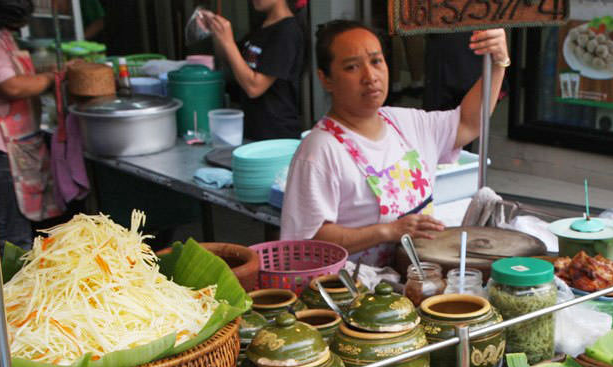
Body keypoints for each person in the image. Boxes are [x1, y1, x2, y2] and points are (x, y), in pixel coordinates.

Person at [280, 20, 509, 266]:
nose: (370, 77)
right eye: (352, 67)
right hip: (354, 293)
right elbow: (306, 242)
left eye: (376, 61)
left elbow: (468, 123)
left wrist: (497, 64)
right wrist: (388, 231)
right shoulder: (319, 150)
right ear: (326, 79)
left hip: (415, 280)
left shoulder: (403, 123)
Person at [0, 0, 61, 252]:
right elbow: (11, 86)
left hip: (17, 145)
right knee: (13, 239)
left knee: (20, 233)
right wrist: (51, 78)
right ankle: (10, 289)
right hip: (0, 149)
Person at [204, 2, 304, 141]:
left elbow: (254, 87)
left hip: (277, 134)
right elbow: (229, 57)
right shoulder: (262, 27)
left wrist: (228, 42)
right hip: (254, 130)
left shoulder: (287, 32)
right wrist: (216, 31)